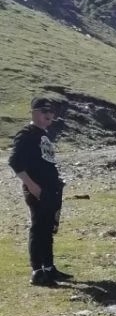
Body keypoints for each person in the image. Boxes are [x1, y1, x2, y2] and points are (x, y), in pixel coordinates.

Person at [8, 96, 69, 287]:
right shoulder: (26, 134)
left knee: (48, 228)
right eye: (44, 112)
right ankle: (37, 271)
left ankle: (49, 268)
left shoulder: (43, 134)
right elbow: (15, 162)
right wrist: (32, 186)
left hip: (51, 189)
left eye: (51, 112)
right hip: (38, 190)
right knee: (38, 228)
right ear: (33, 113)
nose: (49, 116)